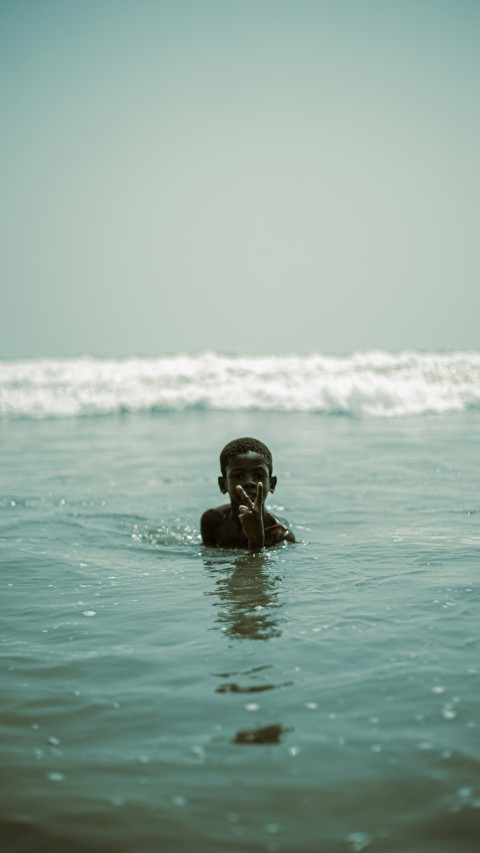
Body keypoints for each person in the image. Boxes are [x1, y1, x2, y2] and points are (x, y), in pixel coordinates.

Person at [200, 437, 295, 549]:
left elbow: (257, 566)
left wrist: (256, 541)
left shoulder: (280, 536)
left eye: (258, 475)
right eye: (239, 476)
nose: (249, 482)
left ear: (272, 484)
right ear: (223, 484)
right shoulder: (213, 522)